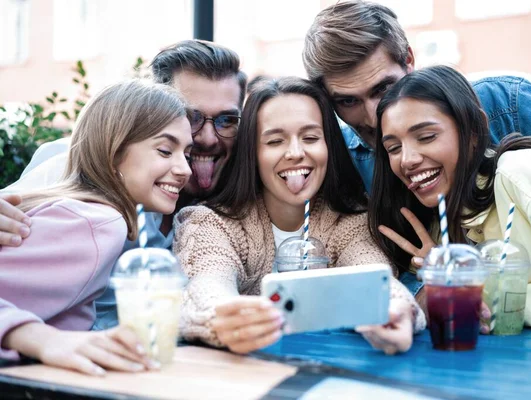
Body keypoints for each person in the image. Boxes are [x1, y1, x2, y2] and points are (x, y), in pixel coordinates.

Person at [302, 0, 531, 294]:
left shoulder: (504, 103)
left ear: (408, 59)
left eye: (383, 89)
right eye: (348, 101)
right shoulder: (338, 160)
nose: (373, 117)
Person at [0, 40, 247, 330]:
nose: (207, 137)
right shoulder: (79, 170)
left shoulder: (234, 193)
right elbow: (16, 221)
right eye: (191, 116)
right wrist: (30, 337)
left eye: (227, 119)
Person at [173, 77, 426, 355]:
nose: (295, 153)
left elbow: (372, 274)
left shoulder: (350, 221)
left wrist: (396, 309)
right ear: (252, 152)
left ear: (329, 146)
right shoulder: (211, 223)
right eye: (275, 141)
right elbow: (209, 282)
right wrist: (223, 317)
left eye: (310, 138)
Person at [370, 65, 531, 330]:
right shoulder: (440, 226)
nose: (407, 160)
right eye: (393, 148)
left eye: (426, 137)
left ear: (474, 131)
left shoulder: (522, 175)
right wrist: (447, 280)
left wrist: (485, 295)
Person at [0, 79, 193, 374]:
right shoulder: (99, 224)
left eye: (187, 154)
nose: (185, 169)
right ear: (114, 152)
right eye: (165, 151)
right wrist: (41, 338)